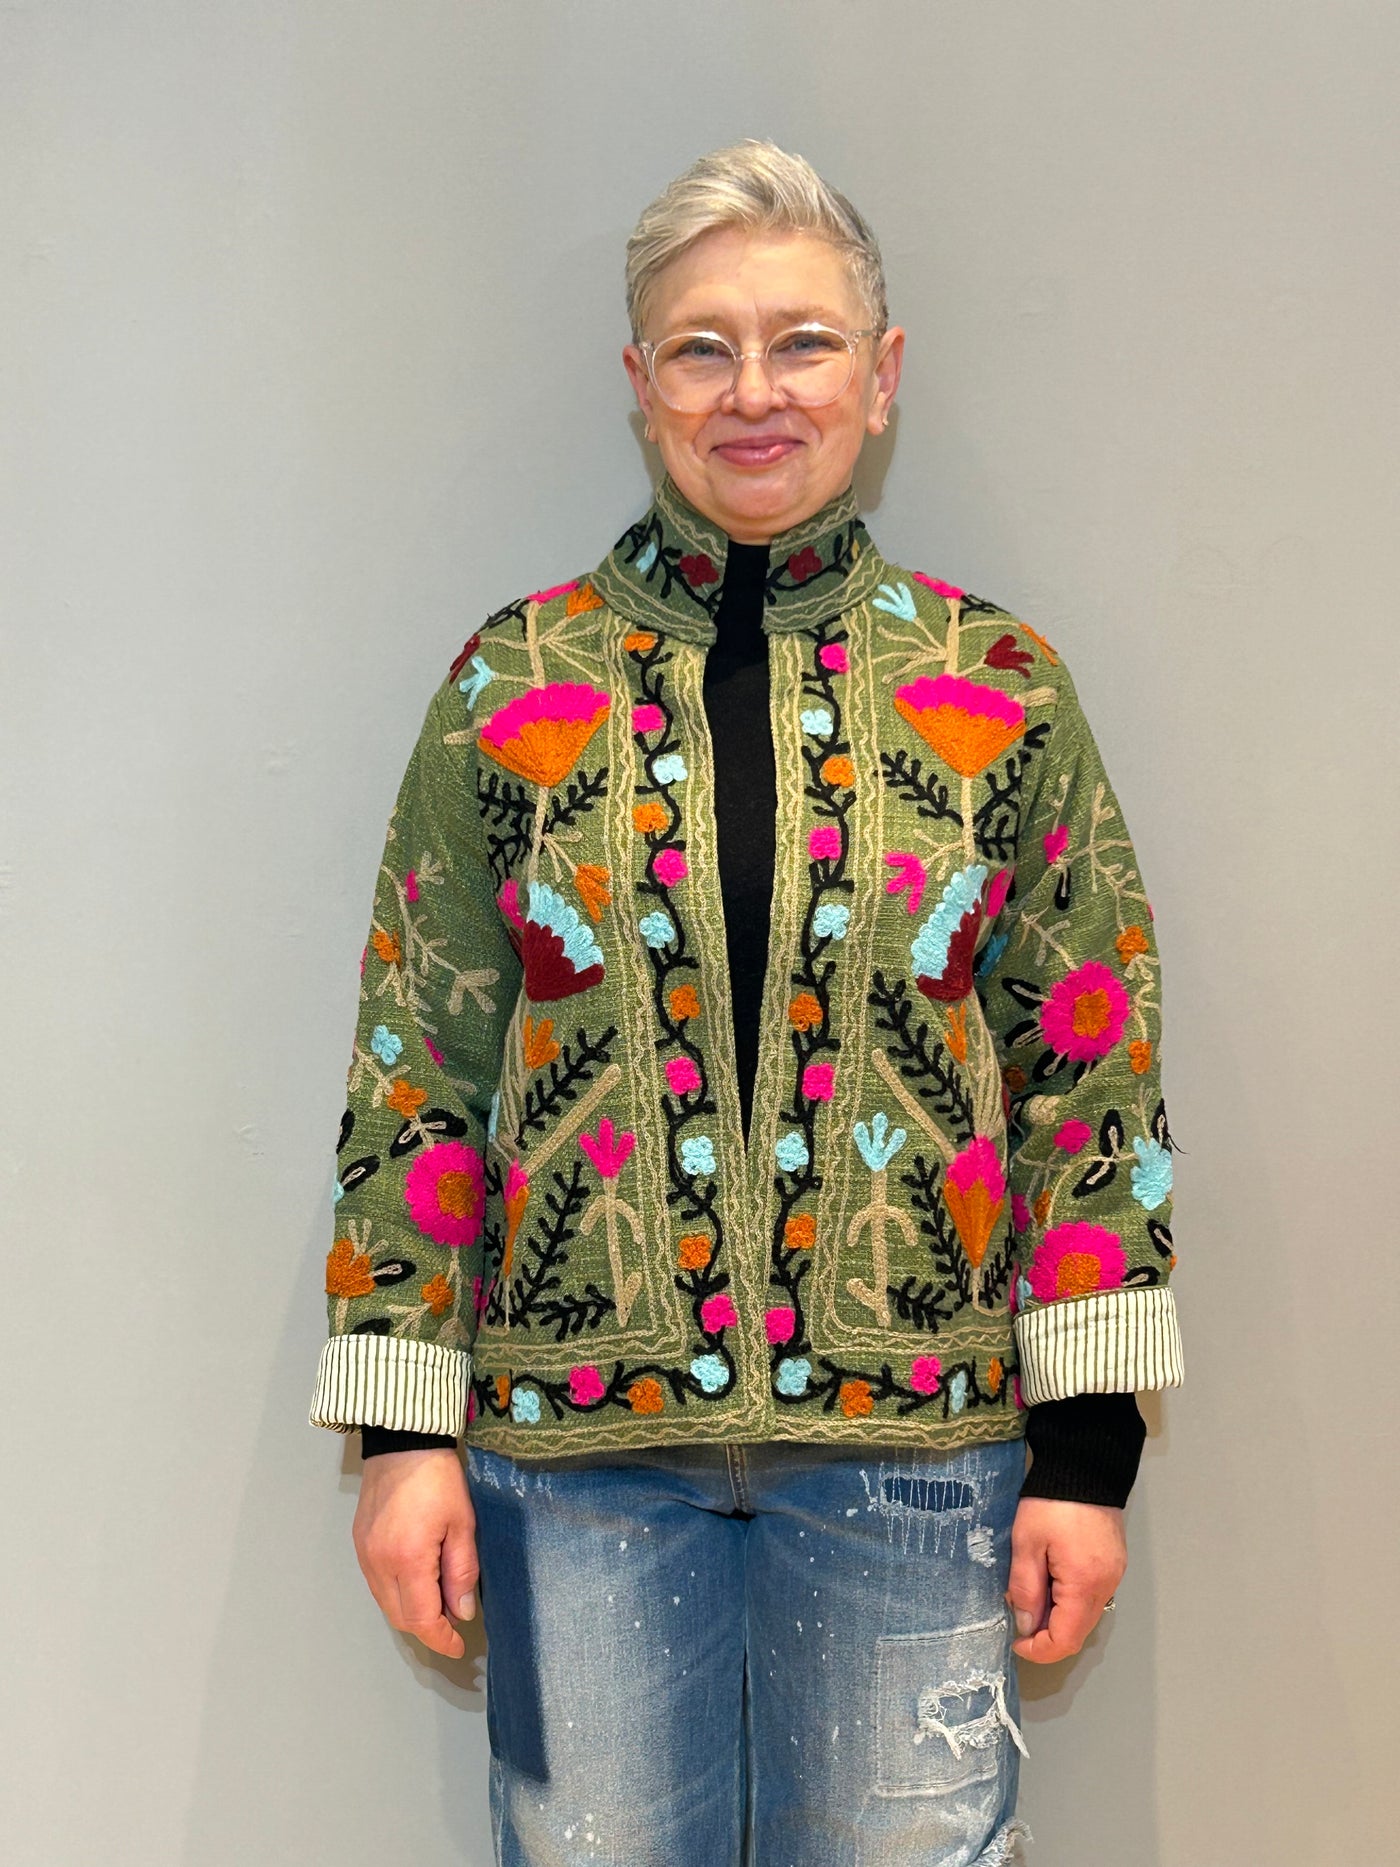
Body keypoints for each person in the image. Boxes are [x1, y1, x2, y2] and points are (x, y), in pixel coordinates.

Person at [310, 140, 1184, 1867]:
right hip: (572, 1469)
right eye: (703, 347)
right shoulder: (510, 681)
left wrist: (1086, 1458)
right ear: (642, 383)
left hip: (920, 1463)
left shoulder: (998, 685)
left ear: (883, 373)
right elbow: (418, 1062)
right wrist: (404, 1436)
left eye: (804, 342)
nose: (755, 390)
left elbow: (1091, 1069)